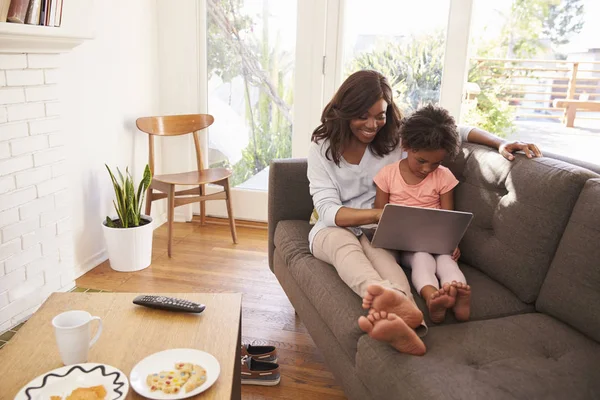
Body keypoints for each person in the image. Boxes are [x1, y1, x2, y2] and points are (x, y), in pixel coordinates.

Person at [307, 70, 542, 356]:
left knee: (387, 263)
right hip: (335, 226)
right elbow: (328, 210)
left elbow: (456, 131)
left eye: (379, 115)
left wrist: (500, 142)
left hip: (380, 230)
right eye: (362, 116)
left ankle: (412, 326)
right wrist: (379, 214)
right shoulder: (323, 147)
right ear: (344, 111)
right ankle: (395, 303)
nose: (372, 125)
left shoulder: (396, 137)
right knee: (344, 249)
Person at [374, 104, 470, 324]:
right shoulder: (388, 175)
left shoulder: (444, 177)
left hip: (437, 241)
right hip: (405, 245)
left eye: (436, 163)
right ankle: (431, 297)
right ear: (406, 146)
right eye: (422, 161)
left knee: (447, 261)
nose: (428, 169)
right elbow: (379, 215)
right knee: (422, 259)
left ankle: (457, 294)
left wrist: (453, 242)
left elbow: (449, 218)